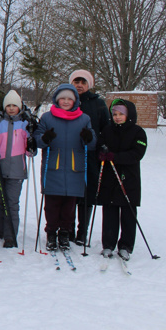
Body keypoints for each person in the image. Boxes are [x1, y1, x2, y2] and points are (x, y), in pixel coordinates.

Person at [34, 84, 97, 251]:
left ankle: (64, 234)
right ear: (56, 99)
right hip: (53, 167)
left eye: (70, 98)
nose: (66, 101)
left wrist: (88, 138)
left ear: (75, 100)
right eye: (63, 98)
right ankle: (51, 234)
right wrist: (45, 138)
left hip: (74, 169)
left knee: (69, 207)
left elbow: (91, 144)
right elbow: (38, 140)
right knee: (52, 206)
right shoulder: (47, 117)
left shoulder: (84, 118)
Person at [95, 99, 146, 261]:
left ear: (128, 115)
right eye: (115, 114)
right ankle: (108, 244)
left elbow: (137, 153)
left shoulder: (138, 132)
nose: (117, 117)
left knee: (128, 213)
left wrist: (115, 157)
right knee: (109, 212)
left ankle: (125, 245)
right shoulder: (107, 130)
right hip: (110, 178)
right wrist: (102, 152)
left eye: (121, 114)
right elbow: (100, 145)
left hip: (128, 178)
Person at [69, 69, 110, 245]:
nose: (79, 85)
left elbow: (105, 128)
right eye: (76, 82)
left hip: (91, 154)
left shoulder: (98, 103)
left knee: (88, 192)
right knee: (70, 192)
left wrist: (102, 145)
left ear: (89, 84)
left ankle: (82, 231)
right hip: (70, 153)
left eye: (83, 82)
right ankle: (67, 229)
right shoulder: (67, 101)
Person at [0, 90, 35, 248]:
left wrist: (32, 142)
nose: (11, 108)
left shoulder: (24, 124)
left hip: (16, 170)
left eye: (14, 105)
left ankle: (10, 236)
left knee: (11, 204)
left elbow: (31, 152)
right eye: (8, 105)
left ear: (20, 107)